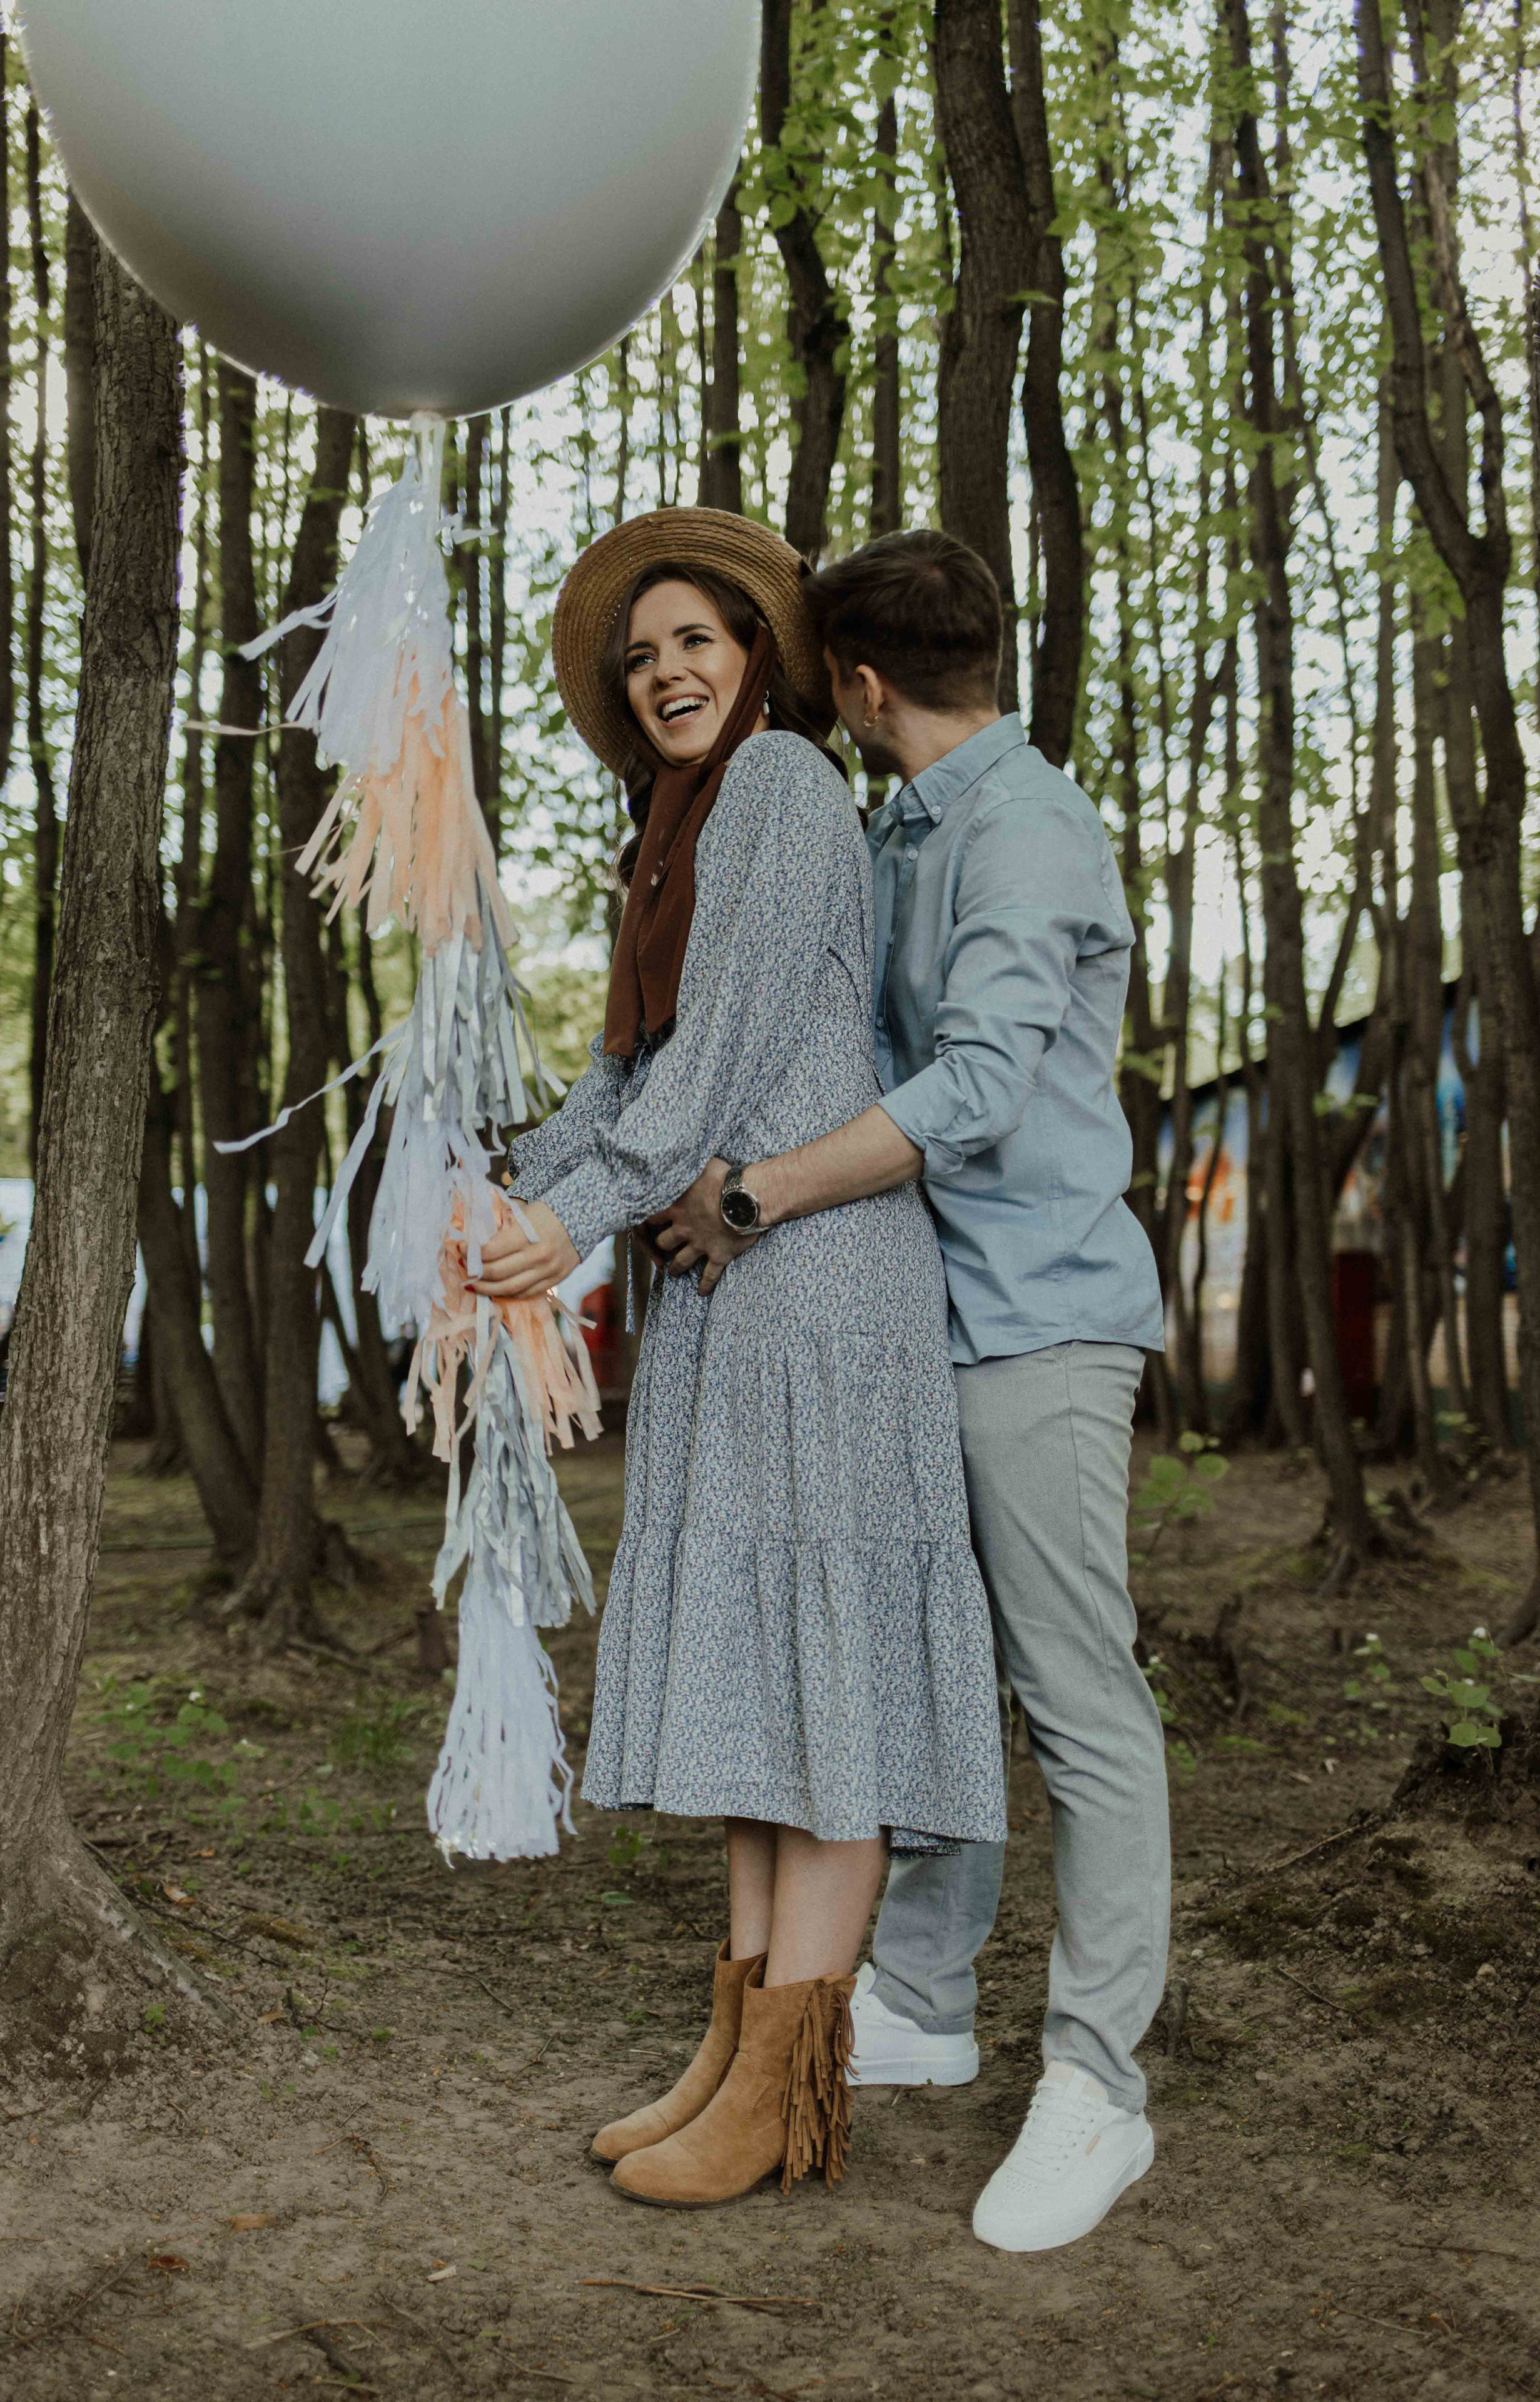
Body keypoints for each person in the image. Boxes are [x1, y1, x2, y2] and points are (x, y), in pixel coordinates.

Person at [472, 508, 1006, 2211]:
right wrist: (511, 1191)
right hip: (728, 1294)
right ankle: (734, 2056)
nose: (666, 674)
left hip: (823, 1289)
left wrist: (577, 1227)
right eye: (641, 660)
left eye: (695, 641)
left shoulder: (780, 793)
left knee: (823, 1680)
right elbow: (631, 1081)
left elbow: (708, 1084)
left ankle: (790, 2091)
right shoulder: (673, 836)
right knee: (764, 1683)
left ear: (758, 661)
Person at [653, 528, 1171, 2256]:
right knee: (930, 1664)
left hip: (1036, 1325)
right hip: (912, 1318)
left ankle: (1100, 2082)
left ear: (863, 688)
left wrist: (759, 1193)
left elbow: (980, 1085)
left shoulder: (1025, 830)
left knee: (1073, 1696)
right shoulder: (897, 824)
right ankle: (927, 2003)